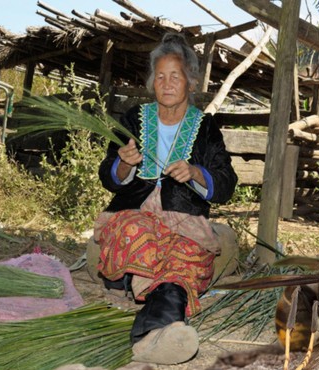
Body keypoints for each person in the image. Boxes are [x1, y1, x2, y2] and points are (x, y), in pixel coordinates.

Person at [93, 32, 238, 365]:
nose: (167, 83)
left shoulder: (205, 128)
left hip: (185, 222)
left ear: (190, 82)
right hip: (134, 215)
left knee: (185, 258)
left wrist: (197, 173)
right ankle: (157, 316)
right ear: (151, 82)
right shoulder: (132, 119)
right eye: (160, 76)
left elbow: (227, 183)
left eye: (175, 76)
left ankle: (153, 334)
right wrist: (122, 164)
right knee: (135, 232)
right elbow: (107, 175)